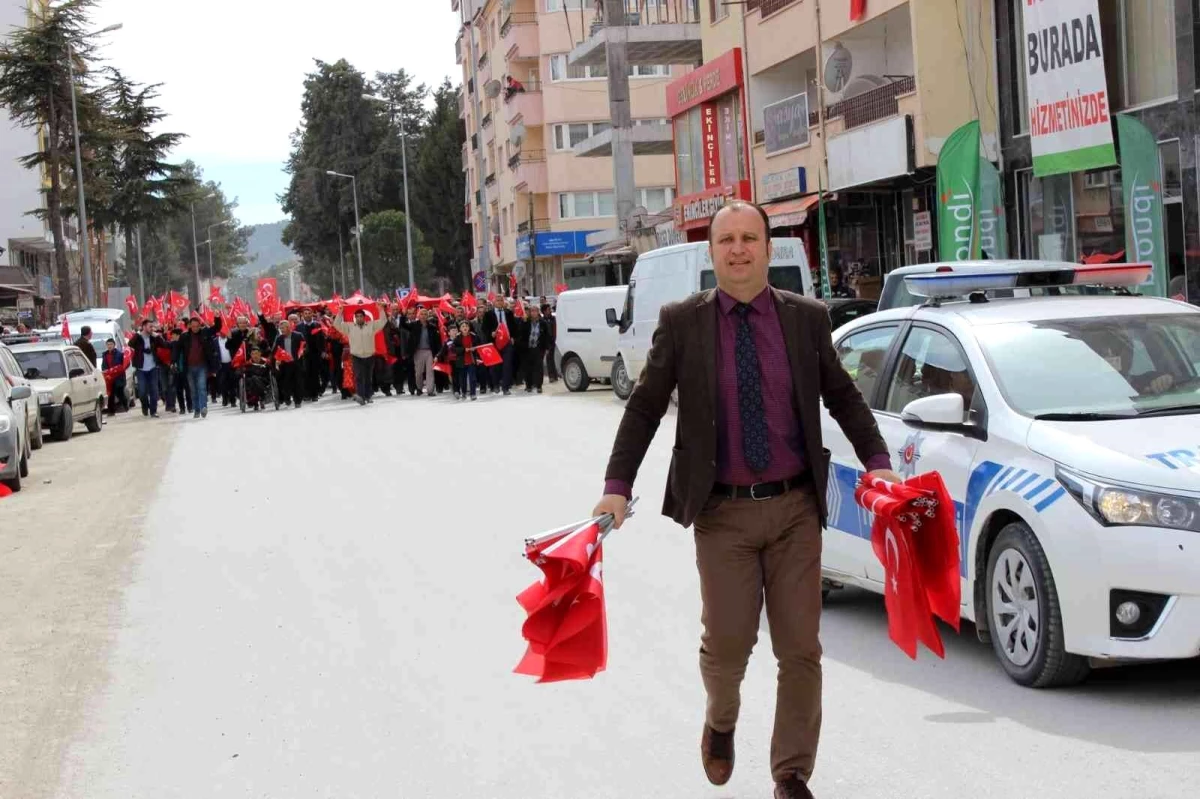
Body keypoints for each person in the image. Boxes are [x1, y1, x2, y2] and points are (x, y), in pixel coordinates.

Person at [591, 200, 900, 799]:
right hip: (722, 512)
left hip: (795, 508)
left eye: (749, 238)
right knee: (729, 646)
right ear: (712, 252)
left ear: (768, 247)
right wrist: (616, 487)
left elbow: (844, 398)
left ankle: (791, 774)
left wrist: (880, 464)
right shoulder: (683, 322)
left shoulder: (806, 319)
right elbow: (646, 407)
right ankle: (722, 720)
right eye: (726, 239)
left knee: (801, 649)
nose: (738, 249)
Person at [330, 307, 389, 405]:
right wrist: (340, 312)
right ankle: (361, 396)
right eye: (357, 316)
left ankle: (368, 396)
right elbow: (336, 324)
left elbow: (383, 321)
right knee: (358, 376)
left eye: (361, 316)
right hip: (356, 355)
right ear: (355, 318)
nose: (359, 318)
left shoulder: (371, 325)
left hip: (369, 355)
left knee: (368, 376)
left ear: (364, 317)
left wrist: (380, 309)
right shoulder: (349, 327)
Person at [175, 314, 222, 419]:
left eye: (197, 326)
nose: (195, 328)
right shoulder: (184, 336)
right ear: (189, 326)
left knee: (201, 388)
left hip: (202, 366)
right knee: (193, 390)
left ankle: (203, 407)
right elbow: (177, 350)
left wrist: (217, 317)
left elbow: (217, 327)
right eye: (193, 326)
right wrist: (174, 362)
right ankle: (196, 409)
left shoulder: (205, 333)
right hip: (189, 368)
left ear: (200, 326)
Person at [129, 318, 168, 417]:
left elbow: (164, 345)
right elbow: (130, 343)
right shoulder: (138, 337)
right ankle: (145, 406)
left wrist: (157, 336)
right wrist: (138, 334)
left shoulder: (154, 337)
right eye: (150, 326)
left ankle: (153, 411)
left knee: (154, 390)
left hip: (153, 368)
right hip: (141, 369)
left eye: (152, 326)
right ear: (144, 327)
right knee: (142, 391)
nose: (152, 328)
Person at [273, 318, 306, 408]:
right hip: (285, 364)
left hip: (296, 363)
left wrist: (302, 351)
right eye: (280, 328)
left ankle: (298, 401)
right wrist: (278, 360)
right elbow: (276, 351)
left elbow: (305, 347)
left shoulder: (298, 335)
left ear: (288, 327)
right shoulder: (279, 338)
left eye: (283, 328)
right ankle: (287, 398)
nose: (281, 330)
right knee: (286, 383)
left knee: (298, 382)